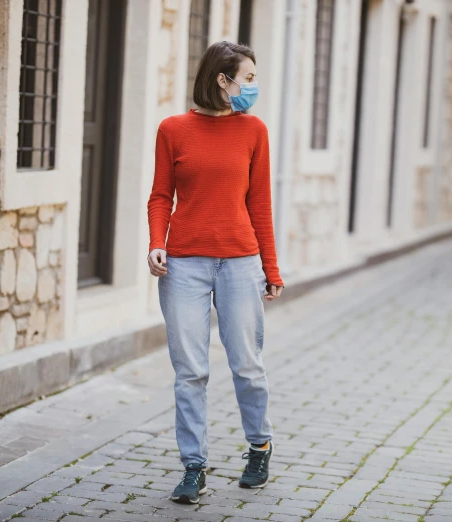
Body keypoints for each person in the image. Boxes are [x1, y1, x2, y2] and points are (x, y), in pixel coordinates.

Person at [146, 41, 284, 505]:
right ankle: (193, 467)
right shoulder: (173, 129)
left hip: (241, 263)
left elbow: (259, 203)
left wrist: (271, 267)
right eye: (246, 78)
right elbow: (160, 196)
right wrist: (156, 243)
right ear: (222, 81)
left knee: (246, 364)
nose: (252, 87)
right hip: (184, 264)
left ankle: (259, 447)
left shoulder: (254, 132)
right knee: (190, 371)